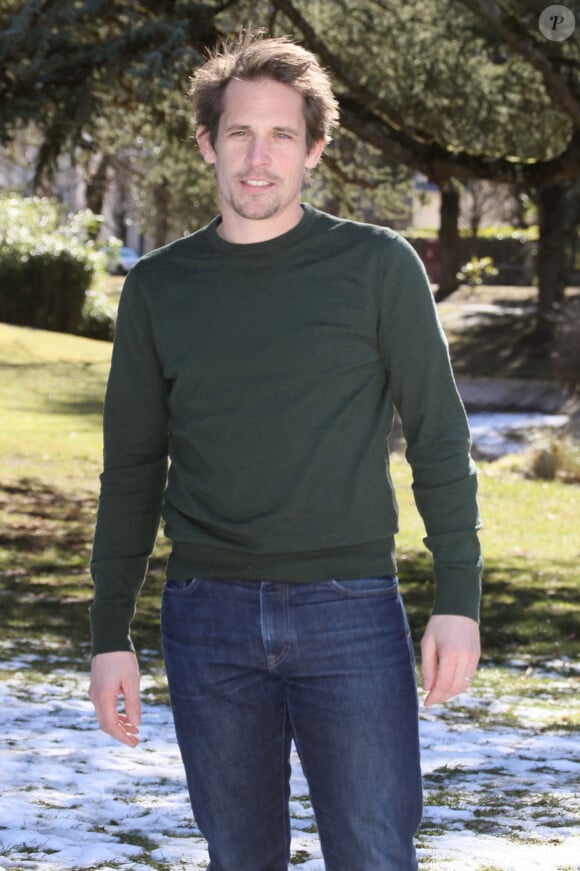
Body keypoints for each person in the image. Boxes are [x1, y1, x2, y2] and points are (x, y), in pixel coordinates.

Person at [89, 30, 482, 871]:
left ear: (315, 151)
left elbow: (440, 440)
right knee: (239, 859)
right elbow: (130, 470)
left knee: (375, 854)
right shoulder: (159, 287)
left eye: (281, 136)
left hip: (351, 609)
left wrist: (460, 595)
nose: (258, 158)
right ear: (207, 143)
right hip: (206, 615)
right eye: (239, 134)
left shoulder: (379, 268)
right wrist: (107, 631)